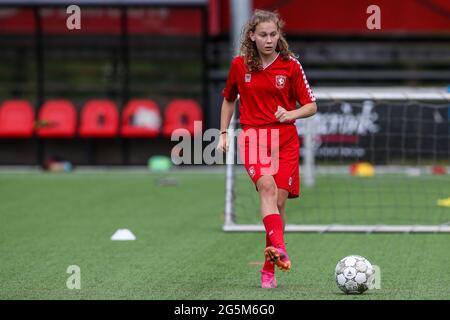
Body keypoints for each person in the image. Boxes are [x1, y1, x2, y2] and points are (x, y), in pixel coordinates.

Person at [217, 9, 317, 289]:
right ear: (252, 36)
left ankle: (268, 268)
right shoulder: (239, 65)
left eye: (274, 34)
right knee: (267, 189)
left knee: (279, 204)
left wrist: (291, 114)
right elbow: (228, 100)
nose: (269, 39)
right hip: (253, 137)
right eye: (263, 34)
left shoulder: (291, 65)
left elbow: (311, 105)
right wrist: (223, 133)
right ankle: (282, 249)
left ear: (279, 35)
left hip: (285, 141)